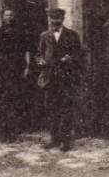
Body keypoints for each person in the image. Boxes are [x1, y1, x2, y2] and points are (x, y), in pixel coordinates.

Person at [34, 8, 82, 151]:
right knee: (51, 108)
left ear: (63, 19)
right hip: (50, 77)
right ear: (50, 20)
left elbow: (79, 54)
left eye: (58, 18)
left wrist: (70, 58)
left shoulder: (72, 35)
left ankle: (65, 140)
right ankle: (54, 139)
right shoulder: (44, 36)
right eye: (52, 18)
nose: (55, 21)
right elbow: (38, 54)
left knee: (66, 108)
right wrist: (40, 60)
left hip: (65, 76)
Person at [0, 7, 32, 142]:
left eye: (11, 14)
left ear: (15, 17)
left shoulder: (21, 33)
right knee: (1, 101)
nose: (9, 17)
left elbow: (27, 51)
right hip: (1, 70)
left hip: (16, 69)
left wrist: (27, 68)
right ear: (2, 17)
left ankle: (13, 133)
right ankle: (2, 133)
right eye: (7, 15)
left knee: (15, 100)